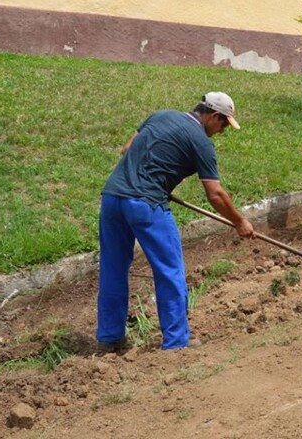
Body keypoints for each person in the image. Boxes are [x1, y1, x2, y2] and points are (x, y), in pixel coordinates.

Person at [97, 92, 255, 351]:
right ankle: (176, 341)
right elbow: (215, 193)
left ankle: (110, 337)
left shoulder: (160, 115)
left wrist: (151, 174)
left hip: (112, 198)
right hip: (146, 204)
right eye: (224, 124)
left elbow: (127, 149)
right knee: (169, 271)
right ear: (213, 116)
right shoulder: (201, 142)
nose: (222, 131)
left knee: (113, 269)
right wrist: (239, 221)